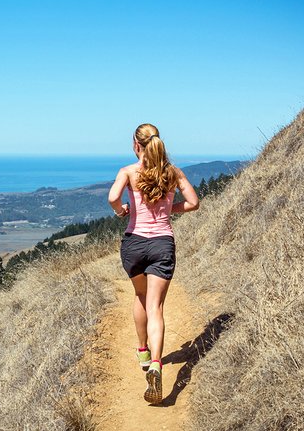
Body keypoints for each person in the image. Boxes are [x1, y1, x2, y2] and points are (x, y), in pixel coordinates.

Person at [107, 123, 199, 404]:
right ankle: (157, 364)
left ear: (136, 145)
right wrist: (170, 208)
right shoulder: (173, 172)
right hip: (162, 244)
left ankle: (143, 352)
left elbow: (112, 197)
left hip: (134, 243)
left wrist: (122, 210)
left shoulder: (128, 172)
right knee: (156, 307)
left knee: (140, 295)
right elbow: (193, 203)